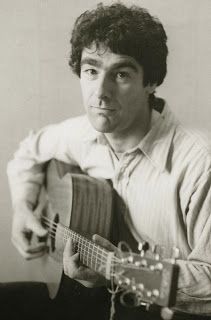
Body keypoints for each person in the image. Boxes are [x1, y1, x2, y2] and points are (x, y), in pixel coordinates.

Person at [6, 2, 211, 320]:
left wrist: (120, 270)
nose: (100, 92)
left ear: (151, 83)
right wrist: (22, 207)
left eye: (122, 73)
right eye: (91, 71)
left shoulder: (200, 164)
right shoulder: (80, 134)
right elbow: (27, 155)